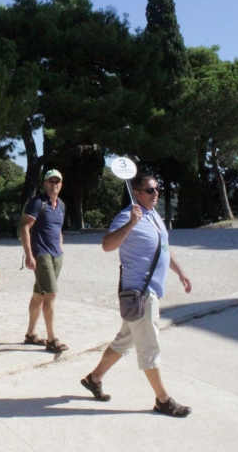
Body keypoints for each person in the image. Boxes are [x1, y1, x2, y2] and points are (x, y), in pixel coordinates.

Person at [81, 174, 193, 417]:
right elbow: (107, 245)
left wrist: (181, 272)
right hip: (140, 292)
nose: (156, 193)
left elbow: (163, 248)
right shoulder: (127, 216)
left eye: (157, 189)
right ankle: (163, 400)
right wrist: (131, 223)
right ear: (137, 192)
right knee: (150, 348)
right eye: (150, 190)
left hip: (146, 293)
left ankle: (94, 377)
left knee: (125, 340)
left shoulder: (155, 217)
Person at [20, 169, 68, 353]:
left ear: (61, 184)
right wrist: (29, 254)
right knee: (51, 294)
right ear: (44, 184)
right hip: (41, 254)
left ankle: (30, 334)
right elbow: (24, 226)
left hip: (56, 255)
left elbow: (58, 229)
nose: (54, 183)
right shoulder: (37, 202)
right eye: (50, 181)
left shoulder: (61, 205)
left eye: (57, 181)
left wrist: (61, 248)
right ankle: (51, 339)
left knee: (39, 294)